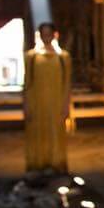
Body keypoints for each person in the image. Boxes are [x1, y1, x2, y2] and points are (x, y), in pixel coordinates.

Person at [24, 22, 71, 176]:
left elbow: (67, 83)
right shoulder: (31, 57)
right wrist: (26, 105)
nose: (46, 37)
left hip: (56, 102)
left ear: (54, 35)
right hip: (37, 103)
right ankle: (38, 164)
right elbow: (27, 83)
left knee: (56, 132)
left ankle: (57, 164)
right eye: (43, 33)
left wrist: (66, 105)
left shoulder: (63, 57)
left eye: (48, 33)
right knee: (38, 132)